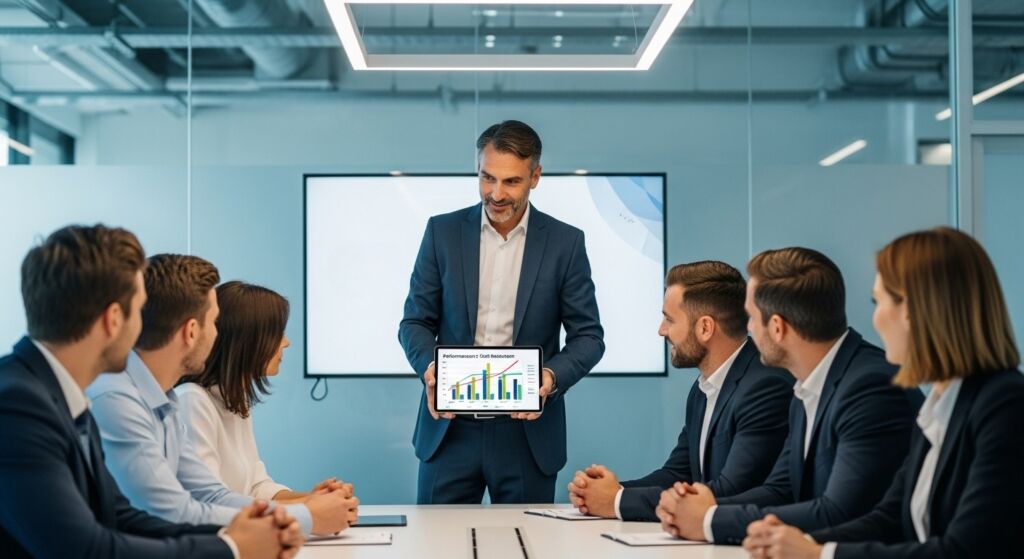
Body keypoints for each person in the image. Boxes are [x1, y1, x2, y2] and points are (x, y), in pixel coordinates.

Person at [0, 224, 302, 558]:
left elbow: (120, 516)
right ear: (114, 320)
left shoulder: (56, 394)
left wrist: (251, 532)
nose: (144, 328)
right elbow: (84, 549)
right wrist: (232, 547)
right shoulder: (18, 404)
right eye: (139, 311)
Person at [742, 227, 1023, 558]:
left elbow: (963, 550)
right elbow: (889, 519)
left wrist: (818, 554)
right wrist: (798, 544)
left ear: (914, 310)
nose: (874, 319)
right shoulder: (943, 404)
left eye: (878, 301)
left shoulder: (1004, 404)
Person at [399, 120, 605, 504]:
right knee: (436, 537)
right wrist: (430, 368)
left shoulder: (565, 243)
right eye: (487, 178)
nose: (496, 193)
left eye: (511, 182)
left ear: (535, 177)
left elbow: (589, 337)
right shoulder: (442, 233)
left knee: (528, 537)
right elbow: (415, 322)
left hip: (527, 435)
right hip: (449, 431)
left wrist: (550, 377)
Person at [657, 247, 923, 544]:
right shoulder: (806, 388)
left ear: (777, 327)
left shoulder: (871, 388)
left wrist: (708, 520)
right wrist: (703, 510)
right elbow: (780, 490)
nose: (747, 329)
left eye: (751, 318)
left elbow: (838, 512)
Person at [87, 254, 355, 536]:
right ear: (192, 331)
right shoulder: (119, 399)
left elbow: (211, 494)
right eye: (214, 323)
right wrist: (306, 516)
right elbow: (172, 511)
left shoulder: (165, 402)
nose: (218, 335)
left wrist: (310, 508)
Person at [567, 261, 792, 520]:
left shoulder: (765, 387)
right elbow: (677, 474)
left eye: (669, 319)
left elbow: (730, 490)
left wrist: (616, 501)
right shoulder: (703, 388)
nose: (661, 330)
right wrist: (609, 491)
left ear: (705, 328)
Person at [176, 281, 357, 519]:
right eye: (277, 334)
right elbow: (211, 502)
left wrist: (315, 499)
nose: (286, 342)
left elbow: (256, 487)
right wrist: (310, 511)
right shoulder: (193, 401)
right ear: (249, 340)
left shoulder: (235, 401)